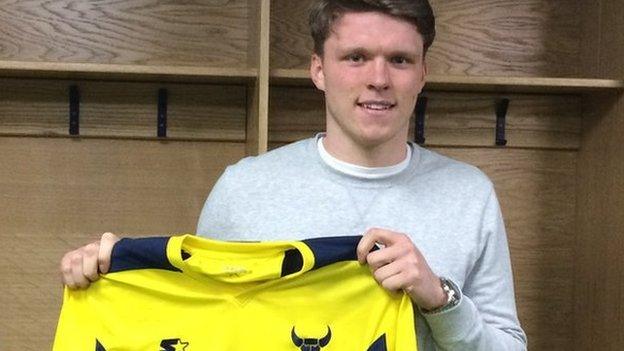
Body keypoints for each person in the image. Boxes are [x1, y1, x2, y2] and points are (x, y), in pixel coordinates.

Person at [60, 0, 527, 349]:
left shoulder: (470, 195)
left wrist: (438, 297)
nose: (379, 79)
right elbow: (206, 329)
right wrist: (111, 273)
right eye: (356, 57)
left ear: (422, 73)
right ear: (319, 71)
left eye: (400, 60)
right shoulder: (243, 189)